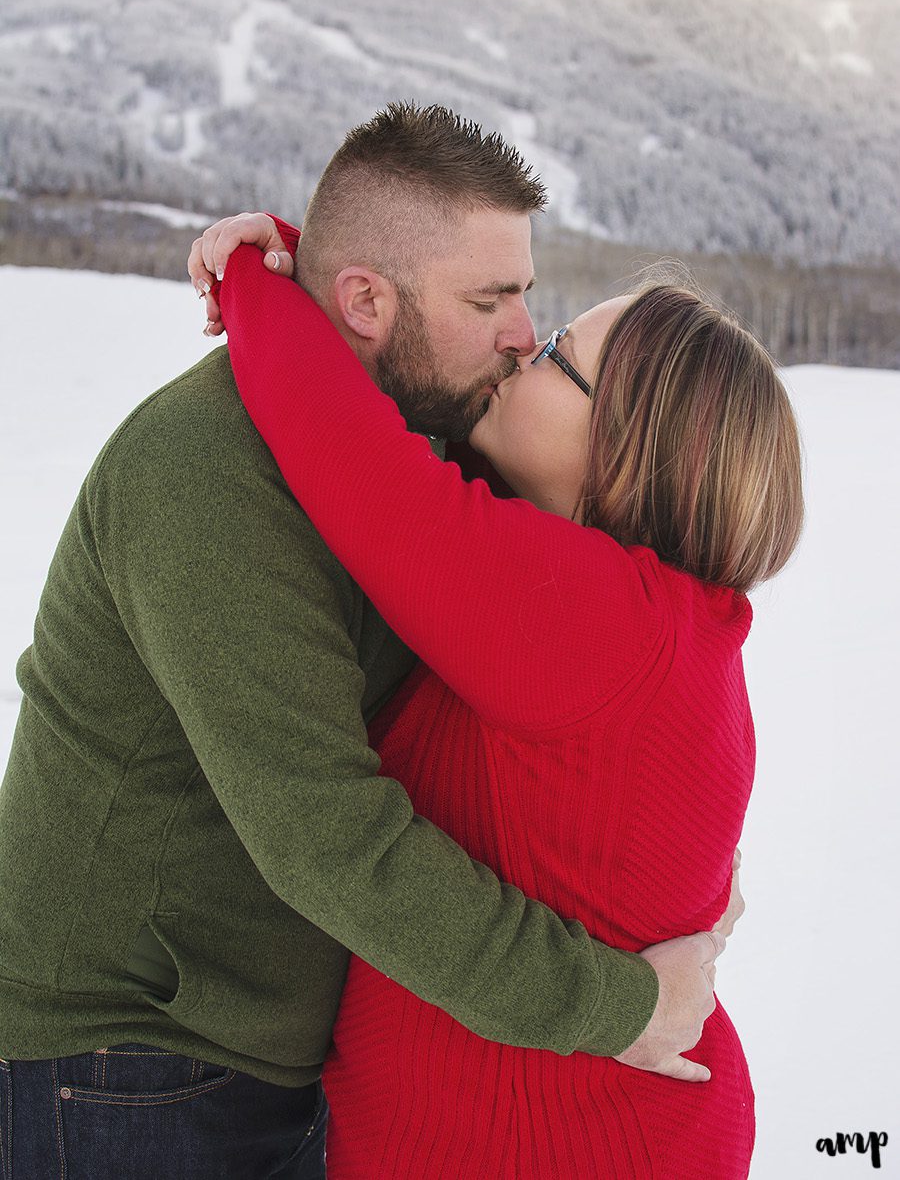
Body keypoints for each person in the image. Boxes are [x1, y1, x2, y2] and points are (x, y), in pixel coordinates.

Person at [0, 105, 727, 1180]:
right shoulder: (202, 479)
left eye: (527, 294)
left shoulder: (421, 445)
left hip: (274, 1058)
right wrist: (617, 1006)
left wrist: (679, 884)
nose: (525, 332)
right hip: (123, 1062)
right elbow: (331, 838)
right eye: (492, 299)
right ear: (367, 301)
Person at [200, 209, 803, 1177]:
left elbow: (351, 461)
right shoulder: (669, 629)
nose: (523, 350)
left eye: (559, 352)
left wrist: (263, 275)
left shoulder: (594, 622)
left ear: (622, 452)